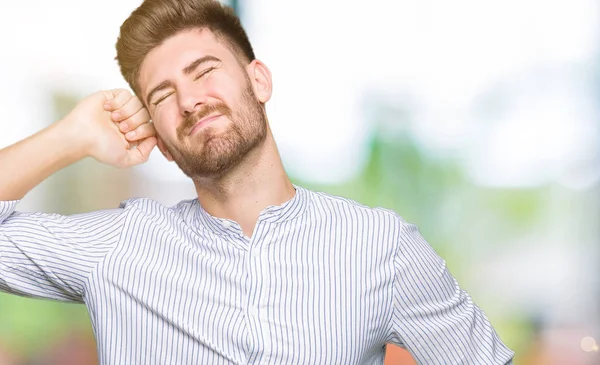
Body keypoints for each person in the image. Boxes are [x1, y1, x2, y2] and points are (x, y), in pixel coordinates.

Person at [0, 0, 515, 364]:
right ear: (154, 131)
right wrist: (69, 137)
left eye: (204, 71)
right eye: (162, 95)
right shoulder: (115, 246)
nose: (190, 99)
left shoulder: (381, 247)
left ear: (258, 79)